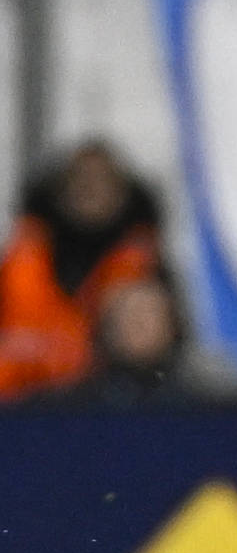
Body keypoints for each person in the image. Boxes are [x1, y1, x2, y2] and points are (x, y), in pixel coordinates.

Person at [0, 142, 162, 402]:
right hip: (18, 405)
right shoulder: (23, 255)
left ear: (123, 191)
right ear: (60, 190)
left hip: (116, 405)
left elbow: (165, 355)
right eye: (81, 179)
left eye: (103, 180)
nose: (90, 189)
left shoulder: (146, 265)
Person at [47, 268, 204, 405]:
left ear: (172, 325)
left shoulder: (201, 409)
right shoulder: (70, 408)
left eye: (148, 313)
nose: (137, 323)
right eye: (126, 314)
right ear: (106, 327)